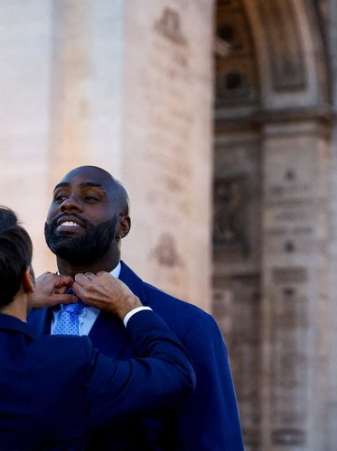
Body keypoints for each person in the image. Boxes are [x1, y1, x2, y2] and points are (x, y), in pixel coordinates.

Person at [0, 206, 195, 450]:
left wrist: (21, 298)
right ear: (27, 280)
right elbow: (176, 374)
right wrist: (129, 306)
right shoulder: (63, 365)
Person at [30, 166, 244, 450]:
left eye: (91, 198)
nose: (68, 203)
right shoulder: (23, 317)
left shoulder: (188, 326)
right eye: (59, 197)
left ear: (123, 226)